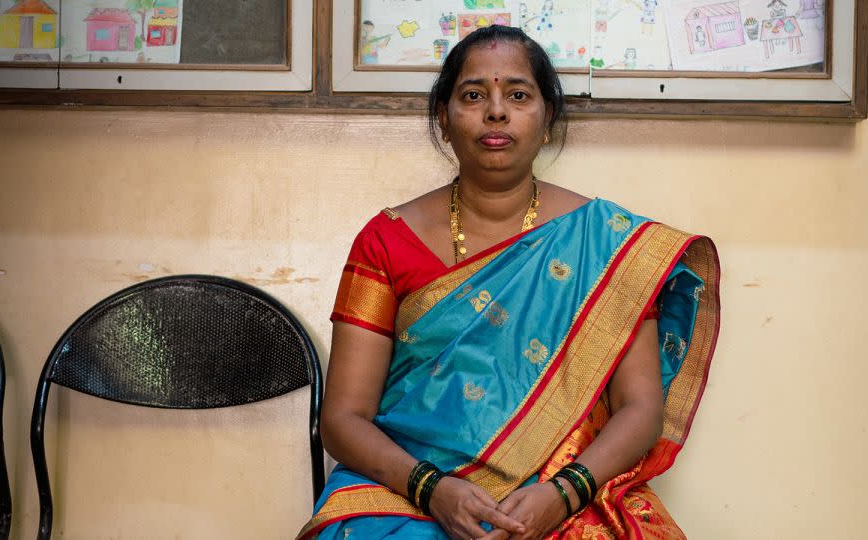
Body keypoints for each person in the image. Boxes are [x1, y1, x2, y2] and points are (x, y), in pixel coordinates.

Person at [298, 25, 719, 540]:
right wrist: (433, 488)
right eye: (473, 95)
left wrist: (560, 495)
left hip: (562, 489)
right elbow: (344, 418)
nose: (495, 111)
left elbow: (641, 409)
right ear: (444, 121)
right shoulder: (386, 242)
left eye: (518, 95)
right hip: (406, 491)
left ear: (546, 123)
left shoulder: (605, 243)